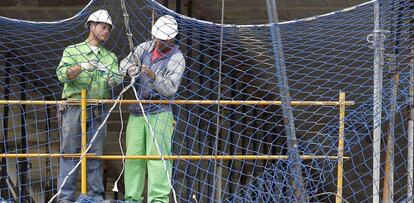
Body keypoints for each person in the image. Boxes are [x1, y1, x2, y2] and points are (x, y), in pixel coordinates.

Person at [56, 9, 122, 203]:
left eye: (109, 28)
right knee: (70, 152)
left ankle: (95, 196)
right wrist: (82, 66)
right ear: (91, 26)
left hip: (97, 107)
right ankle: (65, 197)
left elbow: (113, 79)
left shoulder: (110, 57)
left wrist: (117, 78)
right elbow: (61, 75)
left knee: (95, 154)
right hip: (74, 106)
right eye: (103, 27)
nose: (107, 31)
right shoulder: (72, 51)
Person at [120, 15, 186, 203]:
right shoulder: (144, 47)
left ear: (172, 38)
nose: (159, 42)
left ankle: (158, 199)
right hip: (137, 111)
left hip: (160, 112)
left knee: (158, 158)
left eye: (163, 40)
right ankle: (132, 198)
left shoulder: (177, 58)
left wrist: (154, 76)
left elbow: (171, 88)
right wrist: (130, 69)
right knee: (133, 157)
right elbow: (124, 62)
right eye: (157, 38)